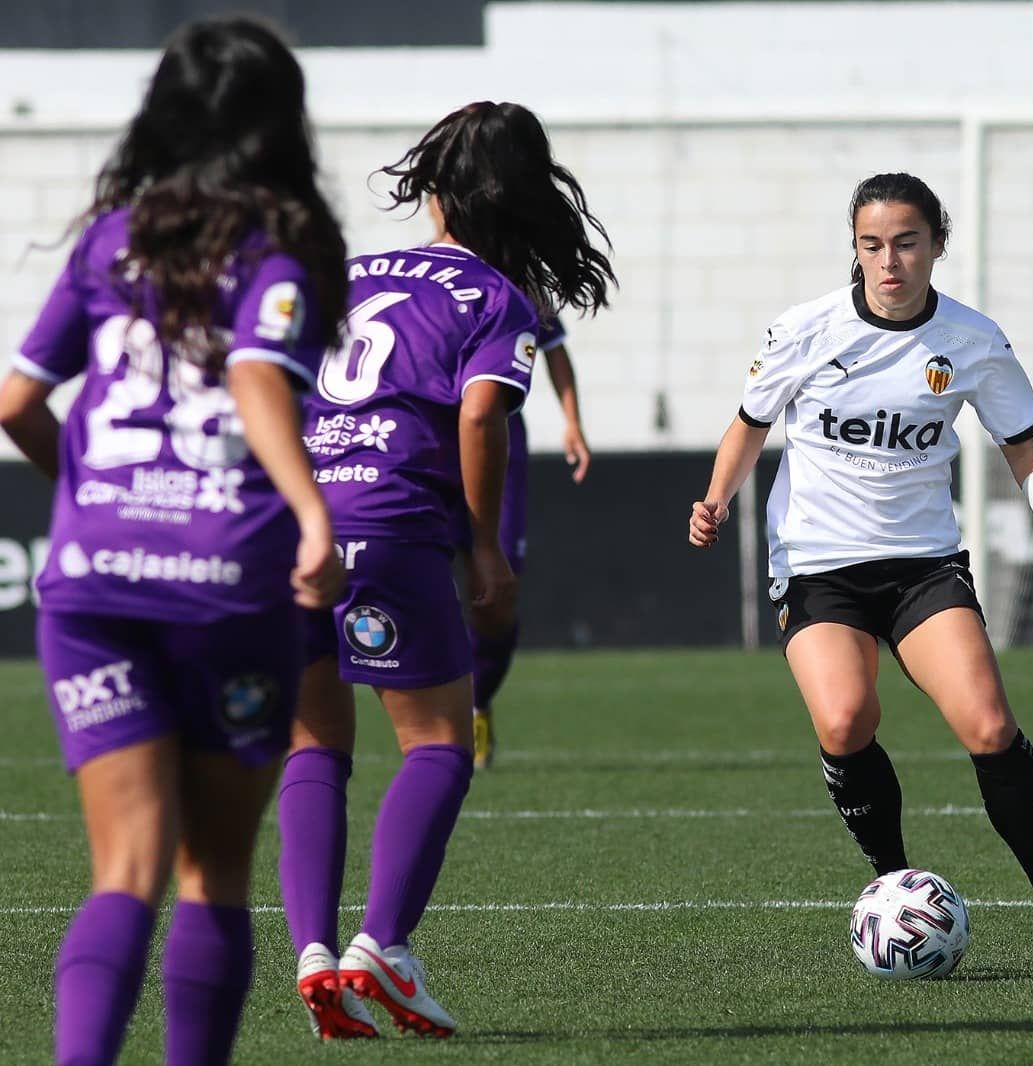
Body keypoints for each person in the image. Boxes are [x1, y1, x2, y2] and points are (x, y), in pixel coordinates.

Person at [0, 17, 347, 1064]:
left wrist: (94, 502)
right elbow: (255, 373)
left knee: (125, 870)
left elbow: (16, 403)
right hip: (225, 579)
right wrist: (313, 512)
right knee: (212, 874)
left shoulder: (112, 238)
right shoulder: (280, 249)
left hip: (95, 585)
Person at [689, 172, 1033, 973]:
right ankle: (894, 888)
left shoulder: (973, 340)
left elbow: (1025, 455)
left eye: (905, 243)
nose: (888, 261)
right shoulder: (805, 329)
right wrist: (715, 499)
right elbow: (748, 425)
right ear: (855, 248)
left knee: (990, 727)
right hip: (819, 565)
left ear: (936, 245)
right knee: (845, 720)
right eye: (871, 245)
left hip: (923, 564)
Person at [277, 100, 615, 1039]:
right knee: (437, 743)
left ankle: (315, 954)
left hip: (296, 527)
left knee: (313, 746)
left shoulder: (348, 273)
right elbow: (479, 416)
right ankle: (381, 945)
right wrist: (484, 545)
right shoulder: (496, 296)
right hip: (391, 524)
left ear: (436, 194)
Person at [470, 309, 590, 770]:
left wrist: (572, 421)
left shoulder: (519, 283)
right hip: (428, 438)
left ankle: (477, 701)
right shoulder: (418, 277)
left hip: (499, 441)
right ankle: (438, 713)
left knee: (498, 589)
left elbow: (554, 348)